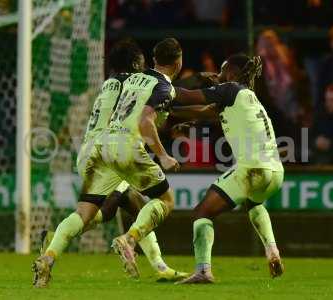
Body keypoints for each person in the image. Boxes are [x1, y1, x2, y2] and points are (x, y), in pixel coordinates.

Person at [32, 39, 186, 288]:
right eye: (142, 63)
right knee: (143, 205)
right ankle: (149, 258)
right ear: (136, 63)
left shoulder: (109, 84)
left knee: (108, 209)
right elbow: (150, 108)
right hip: (113, 149)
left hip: (91, 151)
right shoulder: (132, 81)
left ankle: (50, 251)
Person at [171, 54, 284, 283]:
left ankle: (203, 271)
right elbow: (204, 112)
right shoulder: (246, 96)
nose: (218, 76)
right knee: (254, 203)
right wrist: (171, 113)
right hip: (275, 172)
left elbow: (186, 95)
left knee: (202, 212)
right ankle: (272, 251)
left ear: (231, 73)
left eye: (222, 71)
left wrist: (161, 89)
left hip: (252, 169)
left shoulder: (229, 88)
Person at [108, 38, 183, 277]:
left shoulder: (135, 78)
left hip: (107, 145)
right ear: (179, 61)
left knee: (136, 208)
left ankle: (160, 266)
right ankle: (128, 240)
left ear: (153, 59)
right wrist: (164, 156)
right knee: (166, 200)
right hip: (129, 148)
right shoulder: (164, 88)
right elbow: (145, 121)